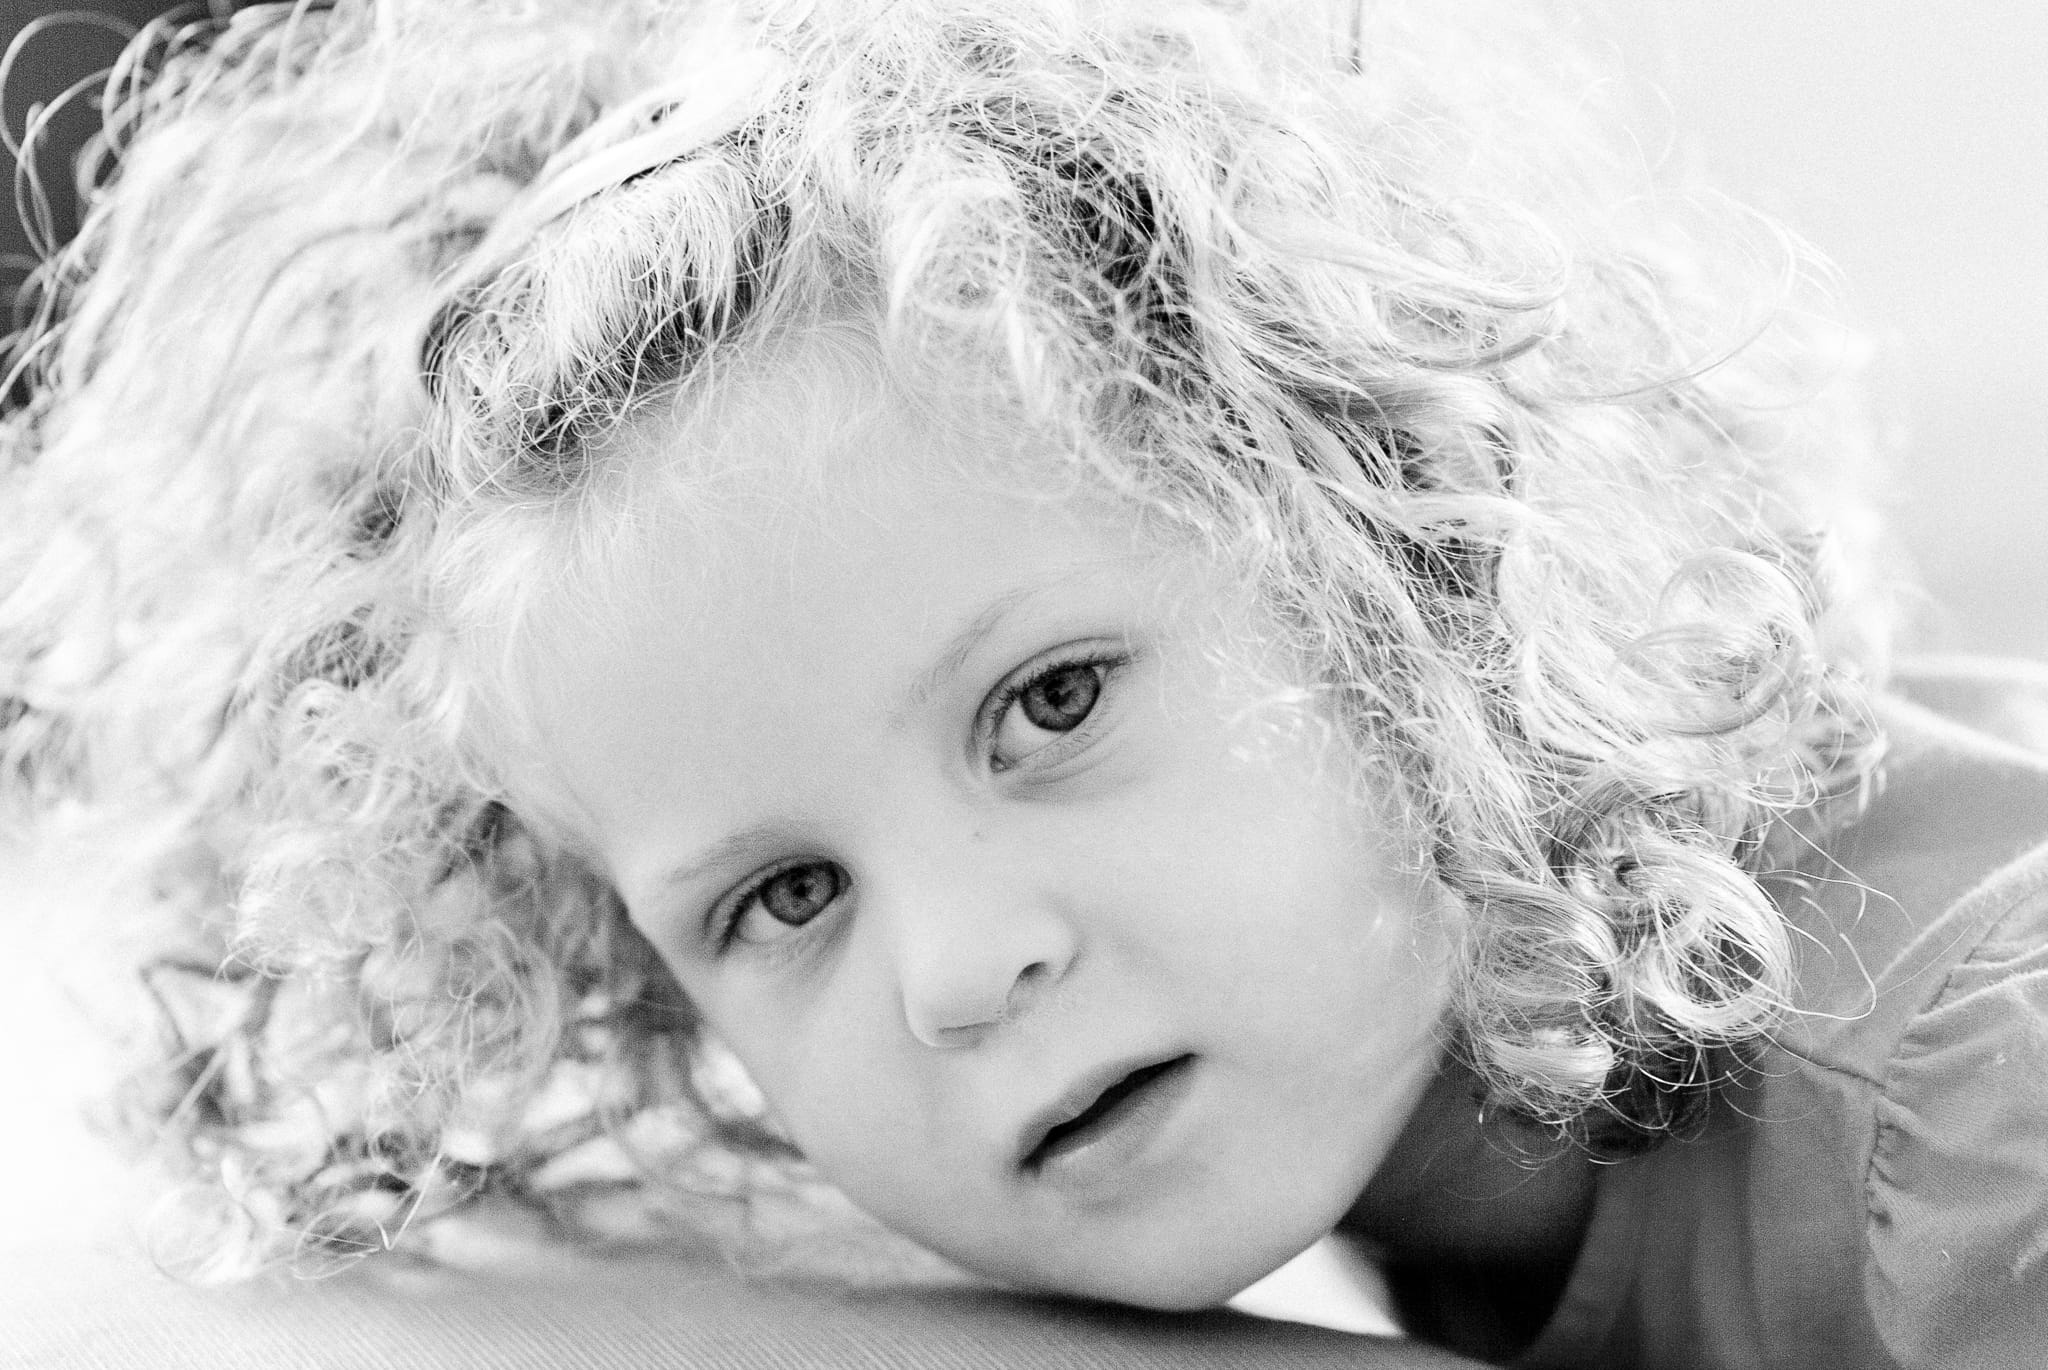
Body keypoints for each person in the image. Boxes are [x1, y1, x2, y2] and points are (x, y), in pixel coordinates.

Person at [2, 0, 2044, 1365]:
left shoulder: (1978, 1129)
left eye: (1049, 704)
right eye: (780, 897)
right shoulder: (1387, 1090)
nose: (958, 971)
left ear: (1400, 569)